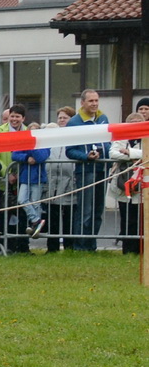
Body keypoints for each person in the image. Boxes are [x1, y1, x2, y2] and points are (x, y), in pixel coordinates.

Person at [64, 88, 109, 252]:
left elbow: (108, 142)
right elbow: (70, 150)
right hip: (86, 171)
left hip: (102, 170)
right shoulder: (74, 122)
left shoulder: (103, 118)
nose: (95, 104)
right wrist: (85, 156)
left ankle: (92, 245)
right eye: (91, 101)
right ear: (82, 103)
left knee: (98, 210)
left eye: (96, 100)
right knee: (86, 211)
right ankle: (80, 246)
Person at [7, 104, 49, 239]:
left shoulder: (44, 144)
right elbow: (15, 155)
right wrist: (26, 157)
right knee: (22, 199)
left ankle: (35, 225)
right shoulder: (23, 142)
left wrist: (32, 146)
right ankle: (36, 220)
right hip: (25, 176)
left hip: (37, 178)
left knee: (35, 202)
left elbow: (41, 157)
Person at [110, 102, 145, 254]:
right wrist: (130, 155)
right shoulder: (121, 137)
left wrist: (129, 153)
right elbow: (113, 153)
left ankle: (140, 249)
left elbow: (146, 154)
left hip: (142, 184)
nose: (135, 126)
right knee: (126, 217)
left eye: (138, 124)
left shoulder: (146, 138)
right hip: (123, 183)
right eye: (132, 124)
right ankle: (127, 250)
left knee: (140, 219)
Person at [45, 106, 76, 251]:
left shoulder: (74, 137)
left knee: (68, 218)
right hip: (52, 184)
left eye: (65, 117)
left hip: (70, 183)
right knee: (52, 219)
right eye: (60, 118)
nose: (62, 120)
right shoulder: (52, 138)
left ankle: (69, 247)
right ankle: (52, 248)